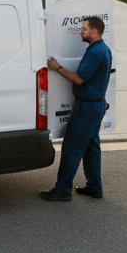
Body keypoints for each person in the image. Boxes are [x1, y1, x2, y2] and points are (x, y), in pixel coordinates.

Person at [40, 15, 112, 202]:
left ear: (94, 31)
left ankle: (63, 189)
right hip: (96, 105)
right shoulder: (103, 49)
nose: (81, 32)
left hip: (87, 108)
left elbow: (79, 79)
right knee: (91, 147)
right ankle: (94, 187)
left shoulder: (96, 53)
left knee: (71, 148)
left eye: (84, 29)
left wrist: (58, 68)